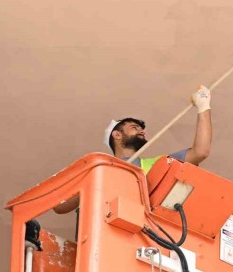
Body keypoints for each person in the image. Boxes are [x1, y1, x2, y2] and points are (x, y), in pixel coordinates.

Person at [54, 85, 211, 214]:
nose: (142, 132)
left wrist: (203, 106)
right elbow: (60, 207)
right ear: (117, 135)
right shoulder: (98, 169)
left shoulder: (157, 164)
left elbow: (200, 152)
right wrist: (95, 182)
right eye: (134, 127)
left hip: (148, 235)